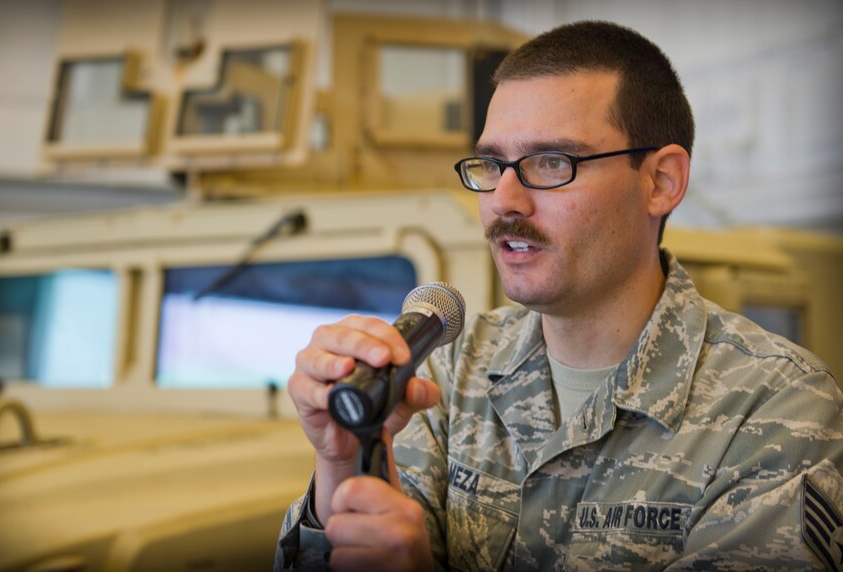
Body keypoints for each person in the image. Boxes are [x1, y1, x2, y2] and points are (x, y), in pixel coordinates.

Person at [274, 20, 843, 571]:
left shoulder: (776, 411)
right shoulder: (450, 370)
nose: (505, 200)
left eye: (552, 163)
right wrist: (340, 464)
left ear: (661, 181)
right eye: (493, 164)